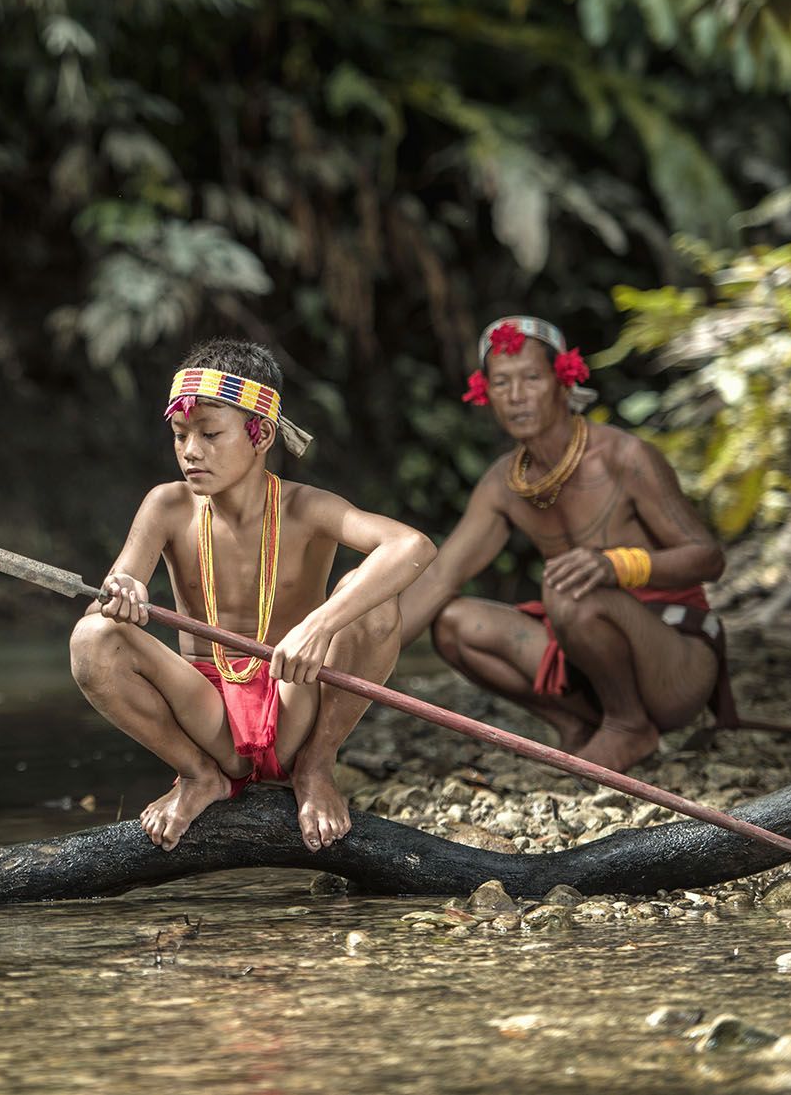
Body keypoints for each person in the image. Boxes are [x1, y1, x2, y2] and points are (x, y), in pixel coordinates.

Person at [71, 339, 435, 852]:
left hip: (292, 699)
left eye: (209, 434)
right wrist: (121, 594)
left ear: (260, 434)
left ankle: (316, 766)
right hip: (206, 719)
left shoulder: (306, 507)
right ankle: (198, 776)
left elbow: (413, 546)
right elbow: (106, 604)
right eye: (180, 435)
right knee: (92, 637)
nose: (190, 451)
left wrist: (320, 625)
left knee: (372, 599)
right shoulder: (167, 506)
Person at [396, 315, 732, 772]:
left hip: (675, 664)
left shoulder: (624, 457)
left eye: (532, 378)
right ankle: (577, 727)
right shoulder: (504, 483)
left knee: (566, 588)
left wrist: (616, 565)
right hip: (589, 660)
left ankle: (629, 727)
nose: (516, 396)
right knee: (454, 624)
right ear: (485, 393)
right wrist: (353, 658)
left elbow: (708, 558)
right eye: (502, 382)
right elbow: (439, 577)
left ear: (563, 381)